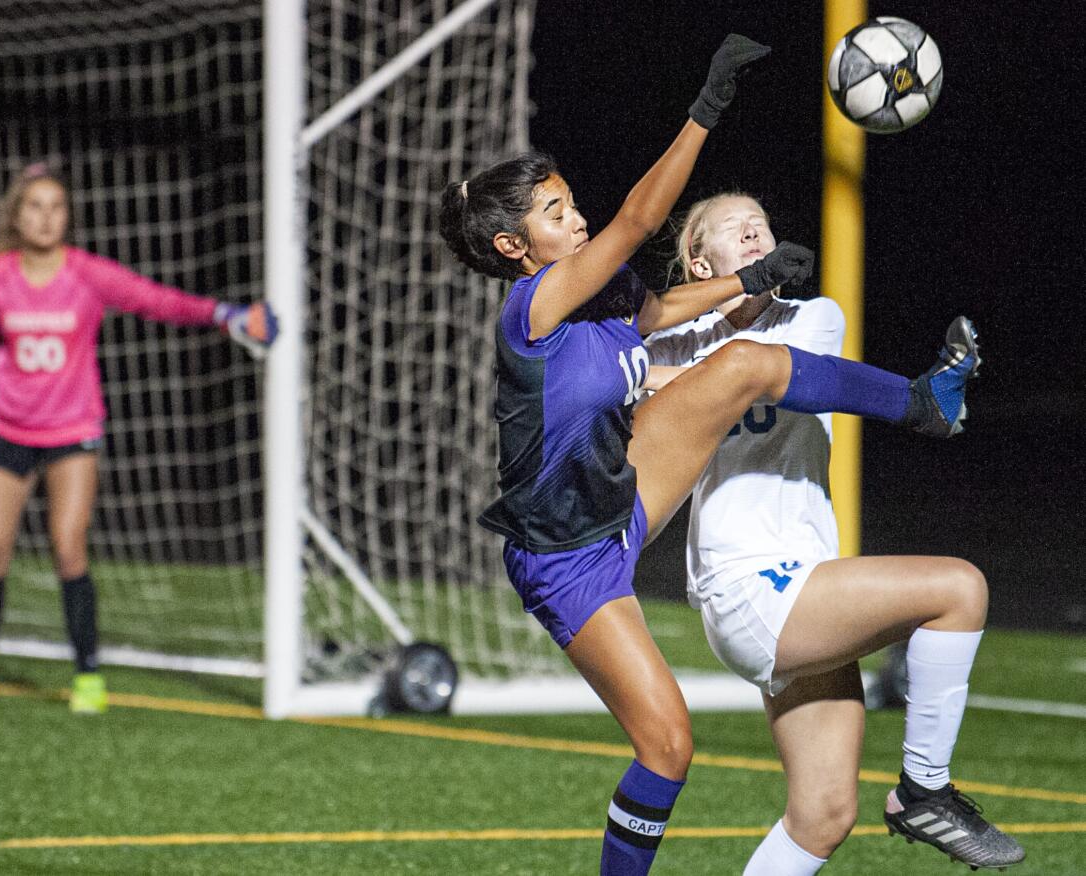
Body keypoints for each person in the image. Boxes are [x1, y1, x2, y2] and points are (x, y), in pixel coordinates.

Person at [438, 34, 980, 876]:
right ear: (514, 248)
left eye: (570, 203)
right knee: (667, 748)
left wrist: (748, 281)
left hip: (621, 493)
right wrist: (705, 109)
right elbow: (640, 223)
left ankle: (923, 402)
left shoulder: (602, 298)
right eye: (555, 214)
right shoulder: (534, 306)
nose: (576, 218)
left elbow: (659, 307)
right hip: (565, 555)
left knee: (746, 363)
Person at [644, 191, 1024, 873]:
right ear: (702, 265)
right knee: (958, 588)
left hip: (802, 583)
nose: (758, 238)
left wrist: (645, 377)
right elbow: (648, 363)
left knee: (821, 817)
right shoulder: (669, 338)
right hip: (748, 586)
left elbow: (747, 378)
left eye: (763, 226)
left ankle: (919, 793)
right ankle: (923, 790)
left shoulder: (813, 319)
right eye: (737, 232)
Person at [0, 162, 277, 715]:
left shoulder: (87, 273)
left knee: (69, 547)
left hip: (72, 432)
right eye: (35, 206)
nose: (46, 217)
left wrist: (224, 314)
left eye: (56, 206)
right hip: (8, 431)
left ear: (67, 215)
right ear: (16, 216)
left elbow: (153, 299)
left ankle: (88, 676)